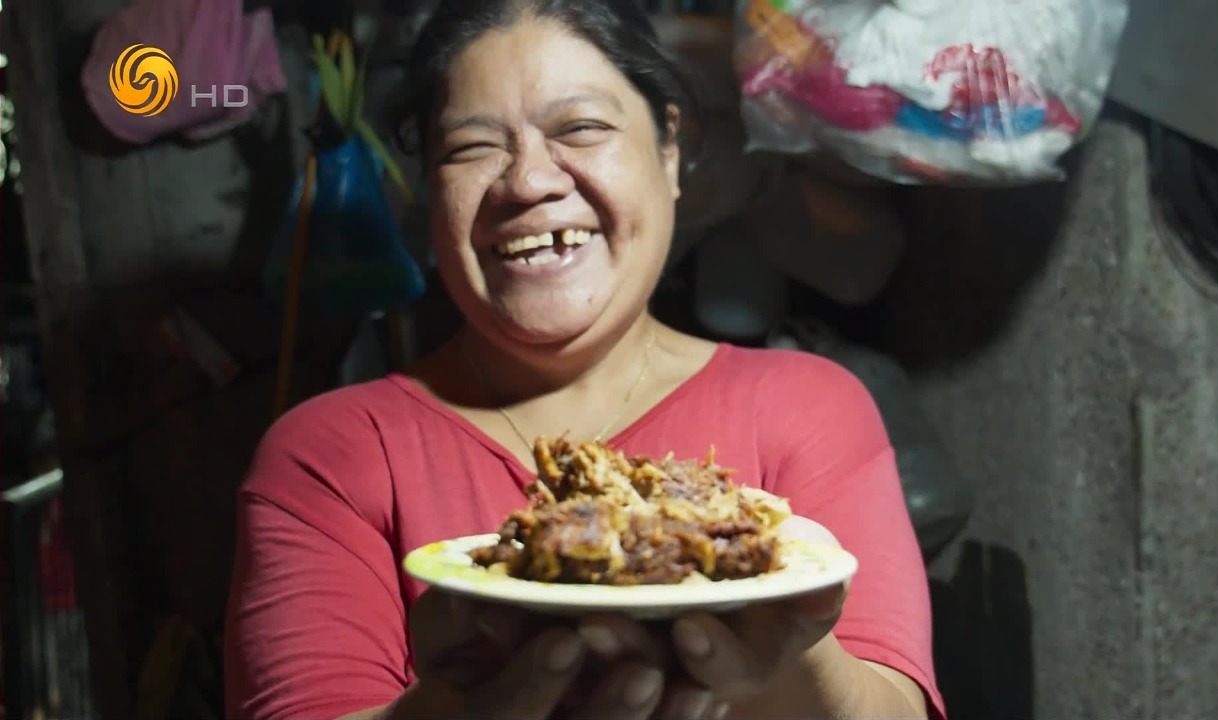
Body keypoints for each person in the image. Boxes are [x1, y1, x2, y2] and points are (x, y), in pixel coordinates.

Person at [223, 1, 944, 718]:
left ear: (669, 150)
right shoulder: (332, 456)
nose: (527, 182)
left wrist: (781, 646)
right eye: (472, 148)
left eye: (581, 128)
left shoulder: (807, 407)